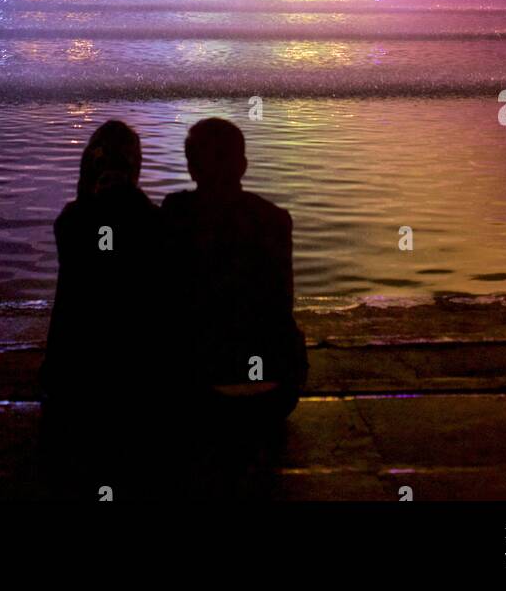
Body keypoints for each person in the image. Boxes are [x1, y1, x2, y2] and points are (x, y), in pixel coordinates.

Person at [161, 117, 307, 430]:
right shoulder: (276, 219)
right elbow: (283, 306)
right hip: (277, 395)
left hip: (199, 395)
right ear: (243, 165)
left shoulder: (176, 213)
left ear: (191, 168)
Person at [40, 119, 161, 495]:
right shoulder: (153, 223)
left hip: (70, 394)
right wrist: (128, 201)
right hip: (138, 399)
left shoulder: (70, 222)